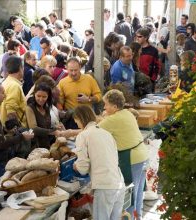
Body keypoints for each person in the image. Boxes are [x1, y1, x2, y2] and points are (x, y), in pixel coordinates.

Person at [98, 89, 148, 220]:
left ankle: (130, 217)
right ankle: (138, 217)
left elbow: (93, 130)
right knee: (138, 194)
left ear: (114, 107)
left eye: (106, 104)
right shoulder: (127, 113)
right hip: (142, 156)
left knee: (129, 195)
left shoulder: (113, 119)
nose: (104, 107)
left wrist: (66, 133)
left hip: (132, 159)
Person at [73, 105, 125, 220]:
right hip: (119, 182)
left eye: (76, 121)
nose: (77, 125)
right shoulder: (106, 133)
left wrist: (76, 166)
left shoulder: (83, 135)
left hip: (105, 186)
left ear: (80, 118)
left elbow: (83, 168)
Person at [26, 83, 60, 149]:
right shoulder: (30, 108)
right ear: (34, 94)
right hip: (35, 146)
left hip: (46, 143)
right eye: (38, 96)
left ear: (48, 97)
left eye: (44, 97)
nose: (41, 99)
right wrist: (52, 132)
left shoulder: (46, 107)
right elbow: (34, 128)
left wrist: (54, 128)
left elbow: (45, 126)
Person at [136, 28, 161, 92]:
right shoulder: (135, 48)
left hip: (149, 81)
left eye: (140, 36)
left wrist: (153, 78)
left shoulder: (153, 50)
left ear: (146, 37)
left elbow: (157, 66)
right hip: (136, 80)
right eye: (136, 36)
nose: (137, 38)